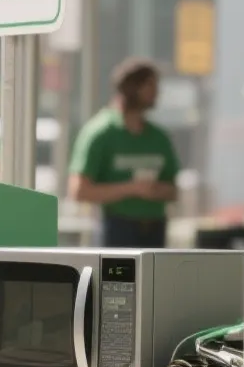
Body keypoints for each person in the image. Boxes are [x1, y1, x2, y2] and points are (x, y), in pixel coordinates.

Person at [69, 58, 180, 248]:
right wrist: (132, 188)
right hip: (115, 229)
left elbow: (173, 189)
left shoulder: (159, 137)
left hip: (155, 230)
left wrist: (155, 190)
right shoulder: (100, 133)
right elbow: (79, 191)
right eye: (150, 85)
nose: (157, 93)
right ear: (132, 87)